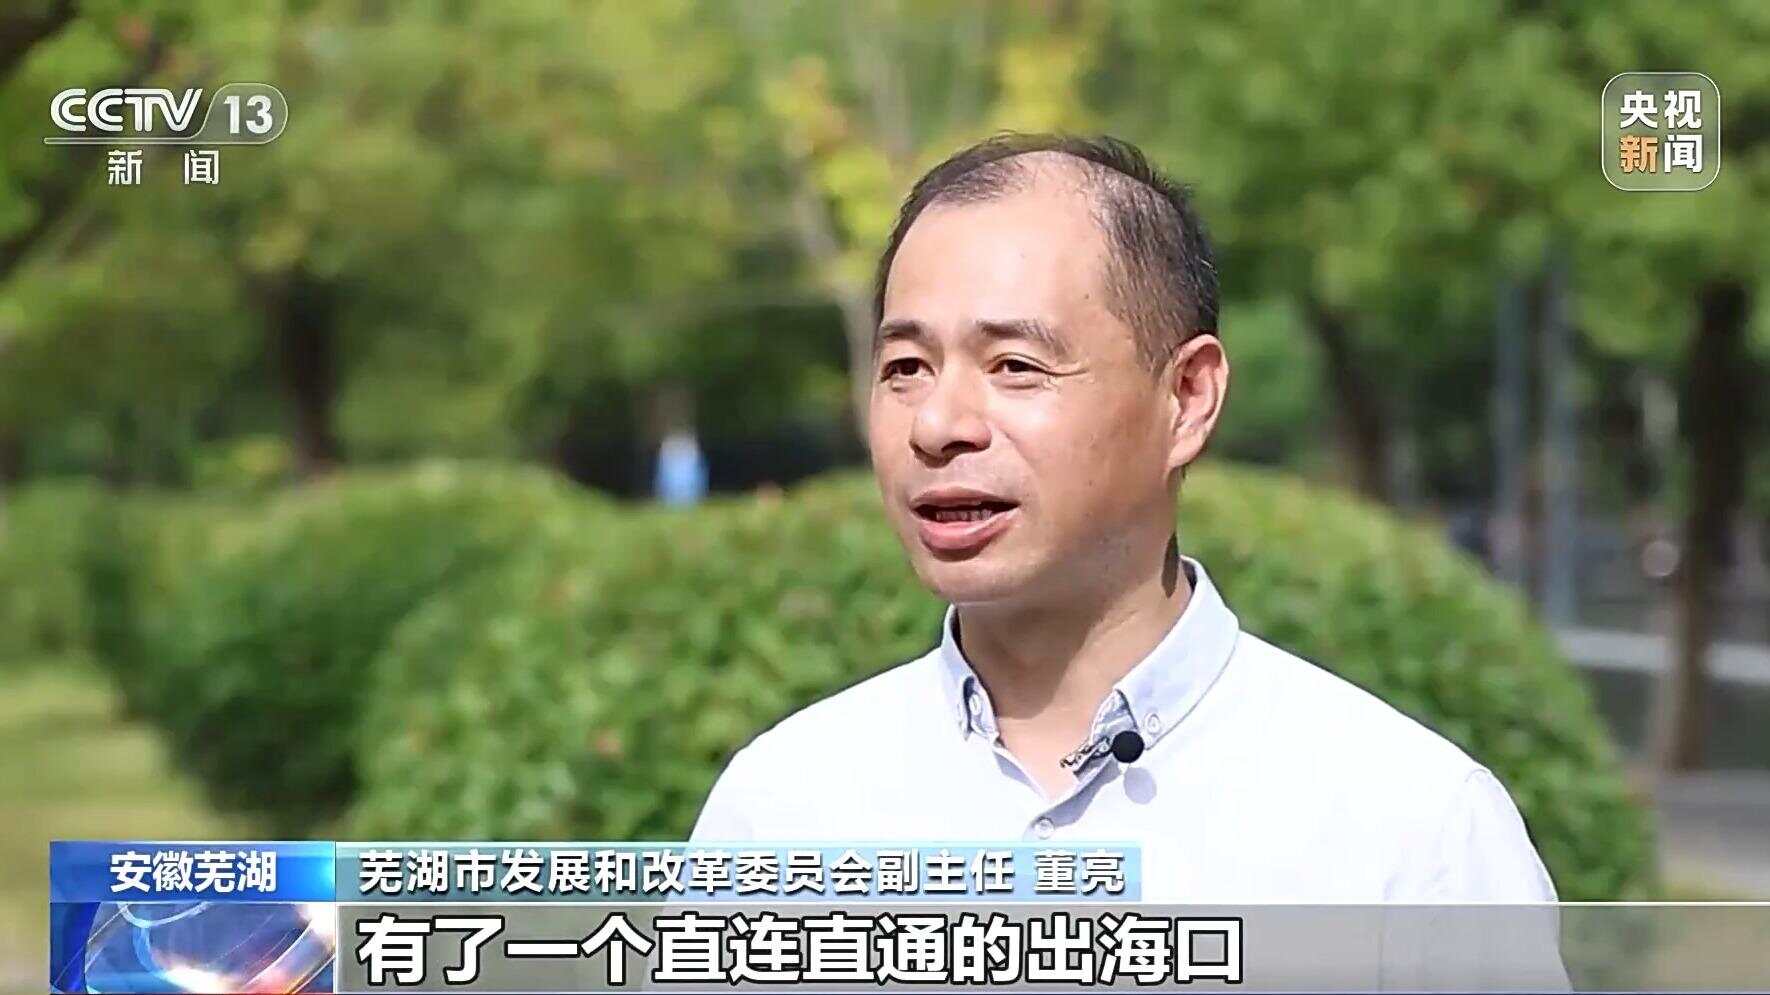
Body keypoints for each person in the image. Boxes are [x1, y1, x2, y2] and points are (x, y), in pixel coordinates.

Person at [689, 133, 1556, 904]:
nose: (938, 424)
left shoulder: (1409, 834)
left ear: (1187, 398)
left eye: (1015, 364)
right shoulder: (780, 813)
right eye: (906, 367)